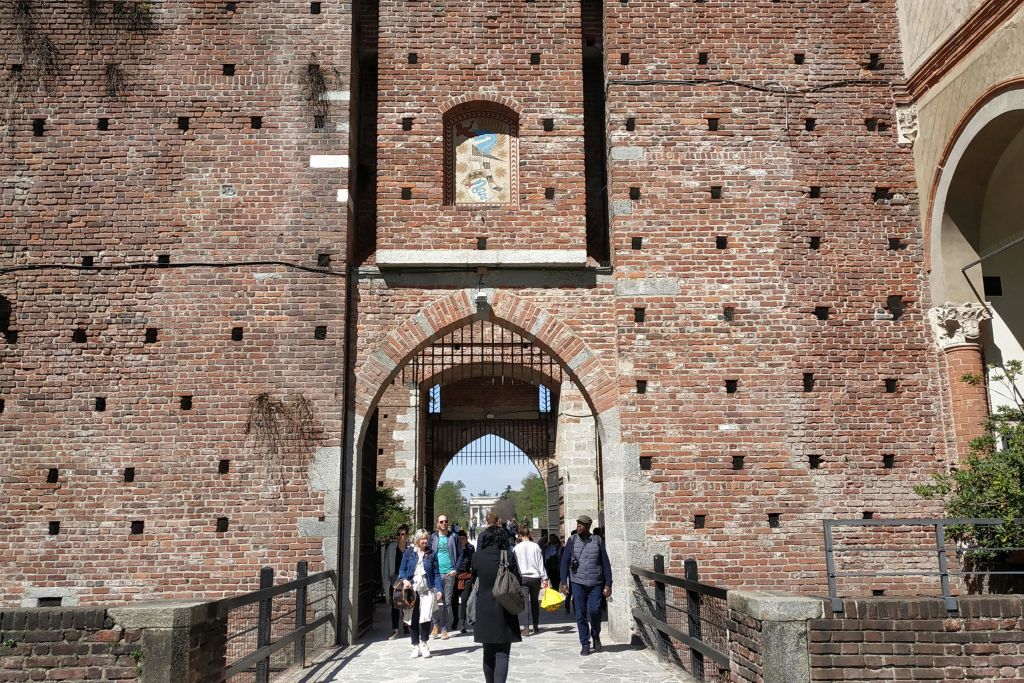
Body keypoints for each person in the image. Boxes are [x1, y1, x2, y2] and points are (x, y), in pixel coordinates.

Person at [472, 524, 523, 683]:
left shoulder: (477, 556)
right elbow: (517, 579)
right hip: (504, 606)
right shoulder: (507, 555)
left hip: (484, 607)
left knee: (487, 652)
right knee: (502, 652)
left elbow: (474, 580)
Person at [559, 515, 612, 656]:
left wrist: (608, 583)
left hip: (596, 583)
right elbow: (564, 562)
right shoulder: (572, 540)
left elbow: (605, 563)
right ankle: (585, 643)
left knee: (595, 611)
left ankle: (595, 635)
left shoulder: (598, 541)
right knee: (580, 614)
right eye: (578, 524)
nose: (578, 526)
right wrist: (563, 582)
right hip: (577, 582)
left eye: (581, 524)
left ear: (588, 526)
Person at [398, 529, 443, 658]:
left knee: (426, 617)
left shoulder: (432, 554)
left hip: (427, 589)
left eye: (426, 539)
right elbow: (402, 569)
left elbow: (436, 573)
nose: (424, 541)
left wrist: (439, 589)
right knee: (413, 618)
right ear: (417, 540)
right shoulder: (409, 553)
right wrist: (405, 580)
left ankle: (424, 644)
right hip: (412, 590)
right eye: (422, 539)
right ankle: (415, 645)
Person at [429, 514, 461, 639]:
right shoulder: (433, 537)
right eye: (441, 521)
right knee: (435, 601)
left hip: (449, 573)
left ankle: (444, 628)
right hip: (436, 574)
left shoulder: (454, 537)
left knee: (447, 602)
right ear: (437, 523)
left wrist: (455, 570)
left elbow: (460, 554)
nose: (444, 523)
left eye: (446, 521)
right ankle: (435, 625)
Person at [512, 528, 549, 636]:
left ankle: (526, 627)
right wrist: (544, 578)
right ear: (529, 534)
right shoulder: (536, 546)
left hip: (523, 577)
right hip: (535, 578)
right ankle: (536, 625)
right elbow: (540, 562)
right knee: (534, 602)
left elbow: (515, 565)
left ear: (520, 535)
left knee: (525, 603)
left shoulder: (517, 548)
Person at [381, 524, 411, 640]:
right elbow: (387, 566)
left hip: (407, 579)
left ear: (407, 536)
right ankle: (395, 630)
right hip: (395, 579)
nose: (400, 536)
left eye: (402, 534)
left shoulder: (410, 549)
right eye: (398, 534)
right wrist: (386, 580)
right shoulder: (392, 548)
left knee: (407, 604)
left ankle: (406, 624)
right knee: (395, 606)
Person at [452, 529, 474, 633]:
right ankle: (455, 619)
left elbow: (473, 562)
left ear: (466, 539)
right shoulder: (455, 549)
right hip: (455, 577)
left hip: (467, 577)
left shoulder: (470, 548)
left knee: (464, 599)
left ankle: (462, 623)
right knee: (454, 600)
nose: (461, 540)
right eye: (459, 539)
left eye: (463, 538)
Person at [543, 533, 562, 604]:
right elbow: (546, 556)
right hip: (550, 567)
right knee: (553, 583)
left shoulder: (559, 547)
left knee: (556, 583)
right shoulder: (548, 547)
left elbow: (560, 558)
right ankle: (555, 598)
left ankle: (556, 598)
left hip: (557, 568)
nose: (551, 539)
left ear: (556, 539)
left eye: (553, 538)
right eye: (550, 538)